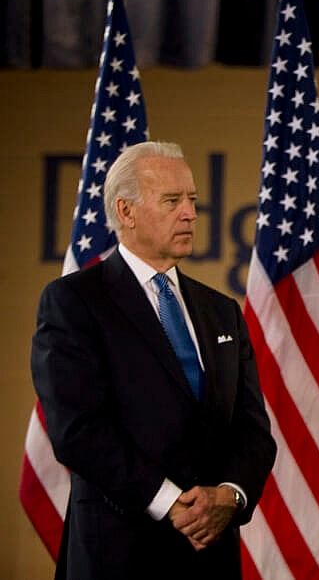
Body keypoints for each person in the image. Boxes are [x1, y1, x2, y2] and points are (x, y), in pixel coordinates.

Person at [30, 141, 276, 580]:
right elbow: (77, 431)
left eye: (193, 200)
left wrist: (230, 496)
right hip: (118, 554)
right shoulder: (75, 302)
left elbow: (253, 431)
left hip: (210, 555)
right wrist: (171, 503)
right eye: (172, 201)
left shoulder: (222, 311)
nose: (190, 213)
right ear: (125, 212)